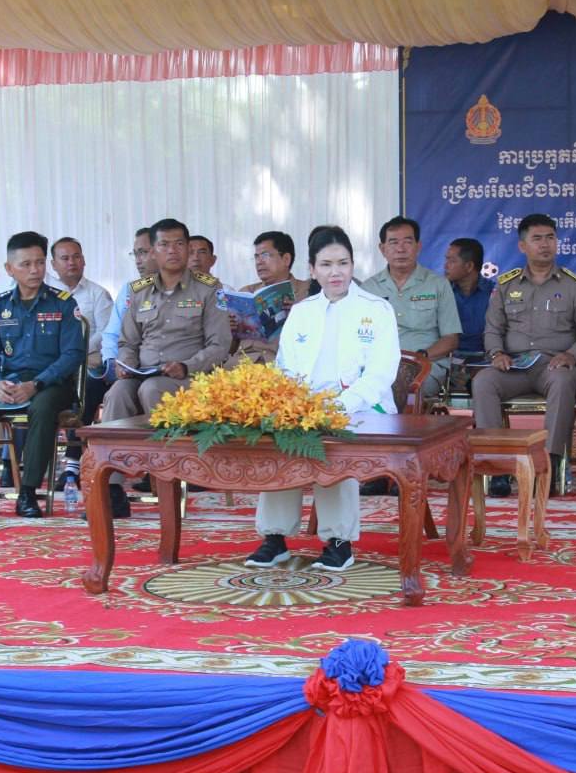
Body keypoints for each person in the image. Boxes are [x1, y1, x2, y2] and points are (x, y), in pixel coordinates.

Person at [246, 226, 399, 572]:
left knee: (333, 442)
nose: (336, 272)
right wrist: (292, 405)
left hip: (360, 407)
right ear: (312, 269)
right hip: (305, 406)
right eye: (326, 265)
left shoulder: (377, 309)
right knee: (279, 437)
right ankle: (274, 539)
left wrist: (340, 405)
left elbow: (380, 374)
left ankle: (339, 542)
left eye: (343, 263)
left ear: (353, 265)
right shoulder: (302, 311)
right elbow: (285, 367)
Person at [98, 219, 232, 517]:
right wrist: (126, 365)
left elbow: (220, 345)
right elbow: (127, 342)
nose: (172, 250)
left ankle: (165, 476)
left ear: (188, 249)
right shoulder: (139, 291)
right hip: (144, 372)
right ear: (153, 252)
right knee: (118, 392)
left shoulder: (209, 289)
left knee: (152, 389)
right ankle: (113, 489)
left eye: (179, 244)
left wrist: (186, 366)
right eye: (164, 245)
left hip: (190, 378)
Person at [0, 232, 85, 519]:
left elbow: (72, 355)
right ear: (9, 269)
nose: (35, 270)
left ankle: (28, 492)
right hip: (11, 381)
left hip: (52, 383)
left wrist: (36, 384)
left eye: (39, 263)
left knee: (42, 407)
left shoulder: (63, 303)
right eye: (26, 264)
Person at [473, 213, 576, 497]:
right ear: (522, 246)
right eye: (537, 239)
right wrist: (496, 353)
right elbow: (492, 329)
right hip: (515, 367)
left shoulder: (574, 285)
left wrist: (571, 355)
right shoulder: (506, 285)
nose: (545, 244)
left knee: (562, 381)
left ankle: (548, 465)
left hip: (554, 365)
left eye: (550, 238)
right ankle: (497, 467)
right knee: (483, 381)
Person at [361, 216, 461, 399]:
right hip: (379, 366)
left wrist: (420, 357)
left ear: (418, 246)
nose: (401, 249)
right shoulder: (368, 289)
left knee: (400, 388)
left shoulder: (438, 285)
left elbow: (451, 339)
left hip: (425, 365)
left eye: (407, 242)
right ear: (382, 249)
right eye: (393, 242)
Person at [48, 236, 115, 488]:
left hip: (88, 358)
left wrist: (75, 351)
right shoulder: (45, 294)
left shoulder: (98, 294)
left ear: (84, 261)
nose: (71, 262)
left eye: (76, 257)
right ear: (53, 264)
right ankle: (13, 462)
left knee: (85, 389)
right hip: (52, 362)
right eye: (65, 258)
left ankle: (72, 464)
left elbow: (106, 332)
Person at [235, 230, 312, 363]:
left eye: (265, 255)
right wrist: (231, 327)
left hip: (281, 364)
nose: (259, 262)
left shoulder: (308, 292)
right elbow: (228, 346)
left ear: (286, 259)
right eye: (256, 257)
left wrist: (299, 314)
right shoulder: (246, 292)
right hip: (240, 364)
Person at [100, 226, 163, 384]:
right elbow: (112, 333)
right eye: (135, 254)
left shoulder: (181, 288)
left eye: (143, 252)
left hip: (163, 366)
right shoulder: (130, 289)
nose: (138, 260)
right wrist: (112, 362)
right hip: (128, 366)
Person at [444, 237, 492, 358]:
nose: (445, 266)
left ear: (469, 266)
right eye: (446, 259)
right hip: (446, 358)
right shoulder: (440, 291)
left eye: (452, 261)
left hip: (487, 359)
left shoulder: (494, 293)